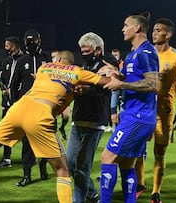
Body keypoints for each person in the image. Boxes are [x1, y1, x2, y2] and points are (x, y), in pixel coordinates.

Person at [0, 50, 114, 203]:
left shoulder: (43, 68)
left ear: (59, 59)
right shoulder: (78, 72)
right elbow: (107, 82)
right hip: (40, 114)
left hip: (19, 108)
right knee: (63, 171)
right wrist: (112, 72)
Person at [99, 12, 159, 203]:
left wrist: (121, 85)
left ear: (137, 28)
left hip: (139, 116)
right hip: (133, 115)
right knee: (126, 164)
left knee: (107, 158)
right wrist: (117, 75)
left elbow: (153, 84)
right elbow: (133, 79)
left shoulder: (146, 52)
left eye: (126, 25)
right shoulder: (133, 54)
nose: (122, 29)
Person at [132, 18, 176, 203]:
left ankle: (156, 192)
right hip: (144, 109)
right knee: (138, 149)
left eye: (158, 30)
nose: (154, 33)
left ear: (168, 34)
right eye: (154, 30)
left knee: (160, 152)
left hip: (164, 112)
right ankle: (140, 184)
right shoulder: (144, 52)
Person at [65, 32, 118, 203]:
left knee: (82, 167)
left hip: (95, 119)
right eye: (82, 50)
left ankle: (78, 200)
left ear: (98, 49)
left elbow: (109, 84)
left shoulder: (108, 62)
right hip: (78, 118)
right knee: (70, 163)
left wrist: (86, 89)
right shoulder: (85, 65)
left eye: (87, 51)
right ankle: (92, 194)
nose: (83, 54)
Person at [14, 29, 50, 187]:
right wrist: (15, 104)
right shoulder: (22, 60)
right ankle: (26, 174)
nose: (30, 44)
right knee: (26, 142)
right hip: (27, 107)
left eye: (33, 41)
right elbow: (14, 84)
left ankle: (43, 164)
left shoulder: (46, 59)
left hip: (45, 107)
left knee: (47, 141)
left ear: (39, 41)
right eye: (28, 42)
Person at [0, 36, 24, 168]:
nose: (5, 47)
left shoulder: (25, 60)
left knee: (26, 132)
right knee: (6, 131)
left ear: (14, 46)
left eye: (7, 45)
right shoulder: (6, 60)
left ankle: (30, 157)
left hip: (21, 102)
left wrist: (12, 91)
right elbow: (2, 78)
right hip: (7, 102)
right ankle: (6, 159)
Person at [51, 49, 70, 140]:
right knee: (52, 118)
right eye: (52, 57)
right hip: (53, 97)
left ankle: (62, 127)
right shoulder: (49, 68)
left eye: (55, 57)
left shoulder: (65, 68)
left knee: (66, 116)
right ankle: (53, 138)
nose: (53, 59)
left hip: (64, 96)